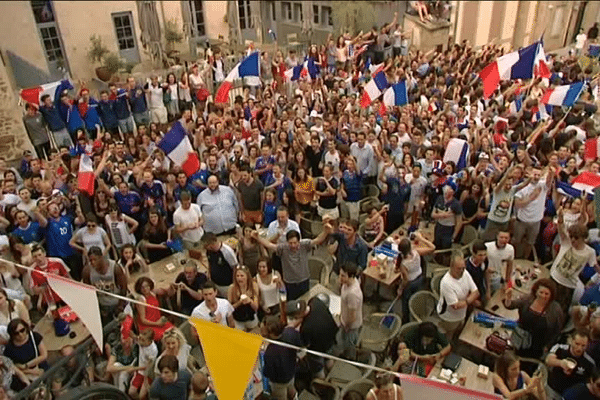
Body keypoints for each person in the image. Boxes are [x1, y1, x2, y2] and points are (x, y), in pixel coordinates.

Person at [253, 219, 333, 300]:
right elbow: (270, 245)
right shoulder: (283, 248)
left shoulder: (304, 245)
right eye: (290, 243)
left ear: (299, 241)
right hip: (289, 283)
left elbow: (317, 240)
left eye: (295, 243)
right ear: (287, 242)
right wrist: (258, 238)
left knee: (305, 301)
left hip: (303, 280)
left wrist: (325, 232)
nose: (293, 245)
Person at [550, 207, 598, 314]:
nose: (572, 240)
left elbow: (594, 265)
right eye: (571, 237)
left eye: (576, 238)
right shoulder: (566, 241)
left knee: (560, 311)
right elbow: (561, 228)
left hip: (568, 285)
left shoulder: (590, 252)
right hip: (554, 277)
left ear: (583, 238)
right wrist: (561, 216)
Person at [504, 278, 564, 360]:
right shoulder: (528, 299)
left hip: (538, 347)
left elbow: (557, 331)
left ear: (551, 295)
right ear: (536, 291)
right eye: (541, 292)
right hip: (520, 340)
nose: (543, 296)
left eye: (547, 294)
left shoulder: (555, 309)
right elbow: (510, 306)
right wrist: (508, 298)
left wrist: (548, 346)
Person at [437, 252, 479, 340]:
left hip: (462, 314)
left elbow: (476, 292)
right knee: (449, 335)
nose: (462, 271)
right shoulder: (446, 283)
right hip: (449, 317)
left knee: (459, 330)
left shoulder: (465, 273)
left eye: (463, 268)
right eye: (458, 269)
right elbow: (455, 305)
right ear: (451, 266)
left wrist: (465, 302)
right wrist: (469, 300)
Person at [513, 166, 553, 260]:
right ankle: (515, 258)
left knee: (530, 243)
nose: (536, 177)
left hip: (536, 221)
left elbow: (549, 182)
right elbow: (517, 204)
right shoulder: (522, 186)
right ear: (530, 174)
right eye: (535, 174)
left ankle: (525, 259)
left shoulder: (542, 185)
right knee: (517, 241)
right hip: (522, 221)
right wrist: (531, 198)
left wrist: (551, 173)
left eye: (539, 175)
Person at [395, 232, 435, 324]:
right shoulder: (416, 252)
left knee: (406, 302)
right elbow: (432, 247)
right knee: (417, 298)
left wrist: (400, 289)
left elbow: (405, 280)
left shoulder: (403, 264)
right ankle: (417, 312)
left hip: (410, 284)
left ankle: (406, 320)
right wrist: (421, 238)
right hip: (420, 279)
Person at [82, 246, 128, 324]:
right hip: (102, 306)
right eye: (90, 260)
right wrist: (98, 309)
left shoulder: (115, 267)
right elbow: (89, 293)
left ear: (101, 257)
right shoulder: (87, 271)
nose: (93, 262)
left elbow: (124, 288)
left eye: (95, 259)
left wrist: (120, 306)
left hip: (117, 303)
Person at [262, 315, 303, 400]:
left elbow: (268, 372)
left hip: (279, 382)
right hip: (291, 372)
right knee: (292, 389)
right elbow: (299, 347)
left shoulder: (270, 352)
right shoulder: (291, 332)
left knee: (281, 397)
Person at [546, 330, 596, 399]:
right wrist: (561, 363)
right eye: (577, 344)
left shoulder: (589, 362)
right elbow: (548, 360)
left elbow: (589, 382)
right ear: (571, 340)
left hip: (569, 395)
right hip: (551, 388)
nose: (579, 348)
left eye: (583, 346)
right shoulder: (560, 348)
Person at [133, 277, 174, 341]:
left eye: (147, 286)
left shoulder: (153, 293)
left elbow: (164, 291)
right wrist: (157, 323)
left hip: (158, 321)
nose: (145, 289)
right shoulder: (141, 300)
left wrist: (171, 286)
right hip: (148, 326)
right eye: (142, 287)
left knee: (173, 330)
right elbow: (143, 320)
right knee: (164, 336)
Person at [338, 262, 363, 360]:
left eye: (343, 276)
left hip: (350, 327)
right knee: (345, 343)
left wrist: (346, 326)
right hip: (344, 320)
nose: (340, 277)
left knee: (349, 345)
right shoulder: (349, 282)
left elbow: (352, 317)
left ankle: (349, 361)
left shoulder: (353, 294)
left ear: (351, 276)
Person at [201, 232, 238, 298]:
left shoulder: (227, 251)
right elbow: (210, 263)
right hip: (214, 283)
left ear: (212, 243)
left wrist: (234, 284)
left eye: (206, 245)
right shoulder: (209, 251)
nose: (205, 248)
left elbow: (235, 267)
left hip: (226, 285)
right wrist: (209, 275)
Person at [431, 181, 462, 251]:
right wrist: (441, 215)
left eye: (449, 188)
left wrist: (453, 236)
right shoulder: (440, 198)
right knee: (437, 246)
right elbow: (432, 214)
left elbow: (459, 222)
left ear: (453, 192)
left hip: (448, 229)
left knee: (446, 250)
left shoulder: (456, 204)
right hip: (439, 226)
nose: (446, 189)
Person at [227, 265, 260, 331]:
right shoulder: (232, 288)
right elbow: (229, 308)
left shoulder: (253, 286)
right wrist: (240, 302)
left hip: (251, 318)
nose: (239, 278)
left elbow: (256, 307)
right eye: (237, 276)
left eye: (242, 276)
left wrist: (250, 301)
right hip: (238, 319)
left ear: (247, 276)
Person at [465, 240, 490, 306]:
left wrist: (488, 290)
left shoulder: (485, 261)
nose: (483, 257)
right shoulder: (467, 267)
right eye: (480, 255)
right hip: (471, 294)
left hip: (481, 289)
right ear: (473, 254)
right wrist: (473, 300)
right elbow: (465, 285)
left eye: (484, 254)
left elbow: (486, 272)